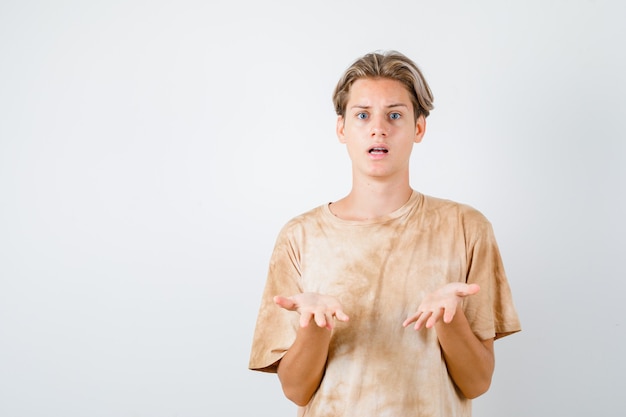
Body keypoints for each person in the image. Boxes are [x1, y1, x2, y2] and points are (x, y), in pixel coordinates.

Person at [248, 50, 521, 417]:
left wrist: (450, 320)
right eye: (362, 115)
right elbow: (296, 391)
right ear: (342, 128)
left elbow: (477, 383)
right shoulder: (300, 237)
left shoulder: (466, 227)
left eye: (395, 115)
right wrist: (315, 328)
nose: (378, 128)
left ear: (419, 128)